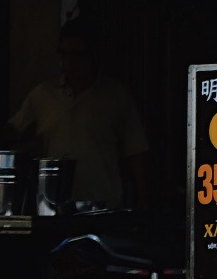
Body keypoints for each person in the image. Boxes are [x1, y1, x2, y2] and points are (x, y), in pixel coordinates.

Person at [11, 23, 151, 209]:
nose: (69, 61)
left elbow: (135, 150)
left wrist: (142, 197)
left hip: (102, 204)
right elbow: (13, 130)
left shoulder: (115, 96)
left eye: (76, 55)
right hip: (54, 206)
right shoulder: (43, 94)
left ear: (92, 55)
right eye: (64, 54)